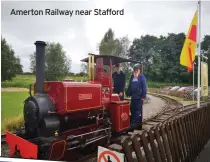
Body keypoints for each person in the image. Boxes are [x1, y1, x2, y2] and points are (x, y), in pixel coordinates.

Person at [127, 63, 147, 130]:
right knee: (132, 109)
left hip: (139, 98)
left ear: (139, 70)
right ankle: (132, 123)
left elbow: (144, 87)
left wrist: (143, 97)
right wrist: (128, 93)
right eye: (134, 70)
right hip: (133, 97)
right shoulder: (132, 77)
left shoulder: (142, 77)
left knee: (137, 111)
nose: (135, 71)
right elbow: (130, 85)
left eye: (136, 70)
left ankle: (134, 125)